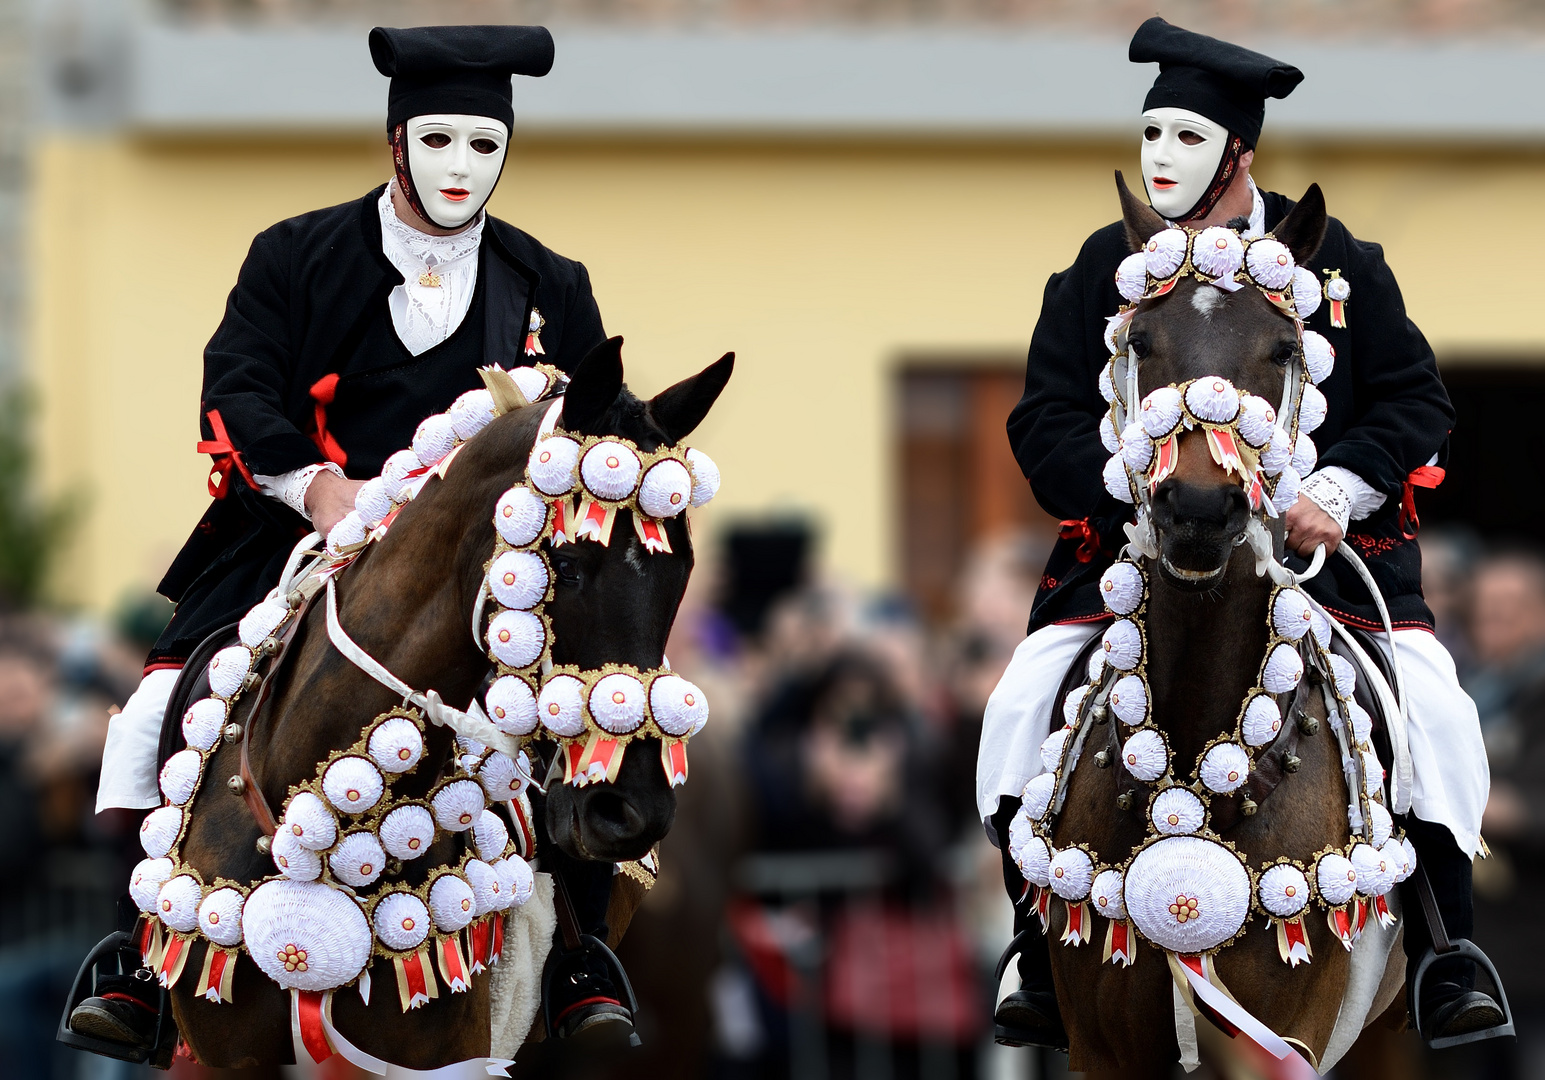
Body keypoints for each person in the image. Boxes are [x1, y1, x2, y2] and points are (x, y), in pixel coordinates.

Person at [70, 25, 615, 1050]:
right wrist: (325, 493)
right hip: (295, 533)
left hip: (486, 566)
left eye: (484, 146)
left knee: (589, 717)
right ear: (395, 142)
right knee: (152, 714)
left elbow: (591, 432)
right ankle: (138, 954)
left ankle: (583, 955)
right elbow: (236, 387)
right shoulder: (292, 253)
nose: (462, 167)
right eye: (440, 141)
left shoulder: (552, 280)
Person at [977, 16, 1504, 1052]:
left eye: (1185, 137)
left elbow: (1415, 400)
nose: (1162, 159)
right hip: (1139, 559)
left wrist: (1338, 490)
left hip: (1321, 566)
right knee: (1020, 701)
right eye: (1151, 136)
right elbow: (1041, 417)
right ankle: (1036, 940)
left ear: (1239, 155)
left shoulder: (1341, 262)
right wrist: (1128, 486)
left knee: (1436, 712)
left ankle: (1448, 949)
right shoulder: (1104, 269)